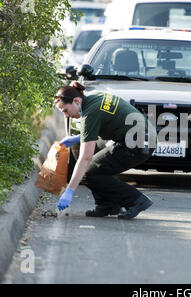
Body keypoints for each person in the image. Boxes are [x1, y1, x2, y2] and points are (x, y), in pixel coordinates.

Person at [54, 82, 157, 219]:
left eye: (65, 111)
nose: (66, 116)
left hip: (137, 143)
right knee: (94, 169)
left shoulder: (90, 113)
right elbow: (106, 122)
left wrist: (69, 191)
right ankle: (108, 206)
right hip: (142, 137)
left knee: (89, 171)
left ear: (76, 101)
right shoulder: (94, 98)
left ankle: (136, 200)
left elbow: (86, 157)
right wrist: (78, 138)